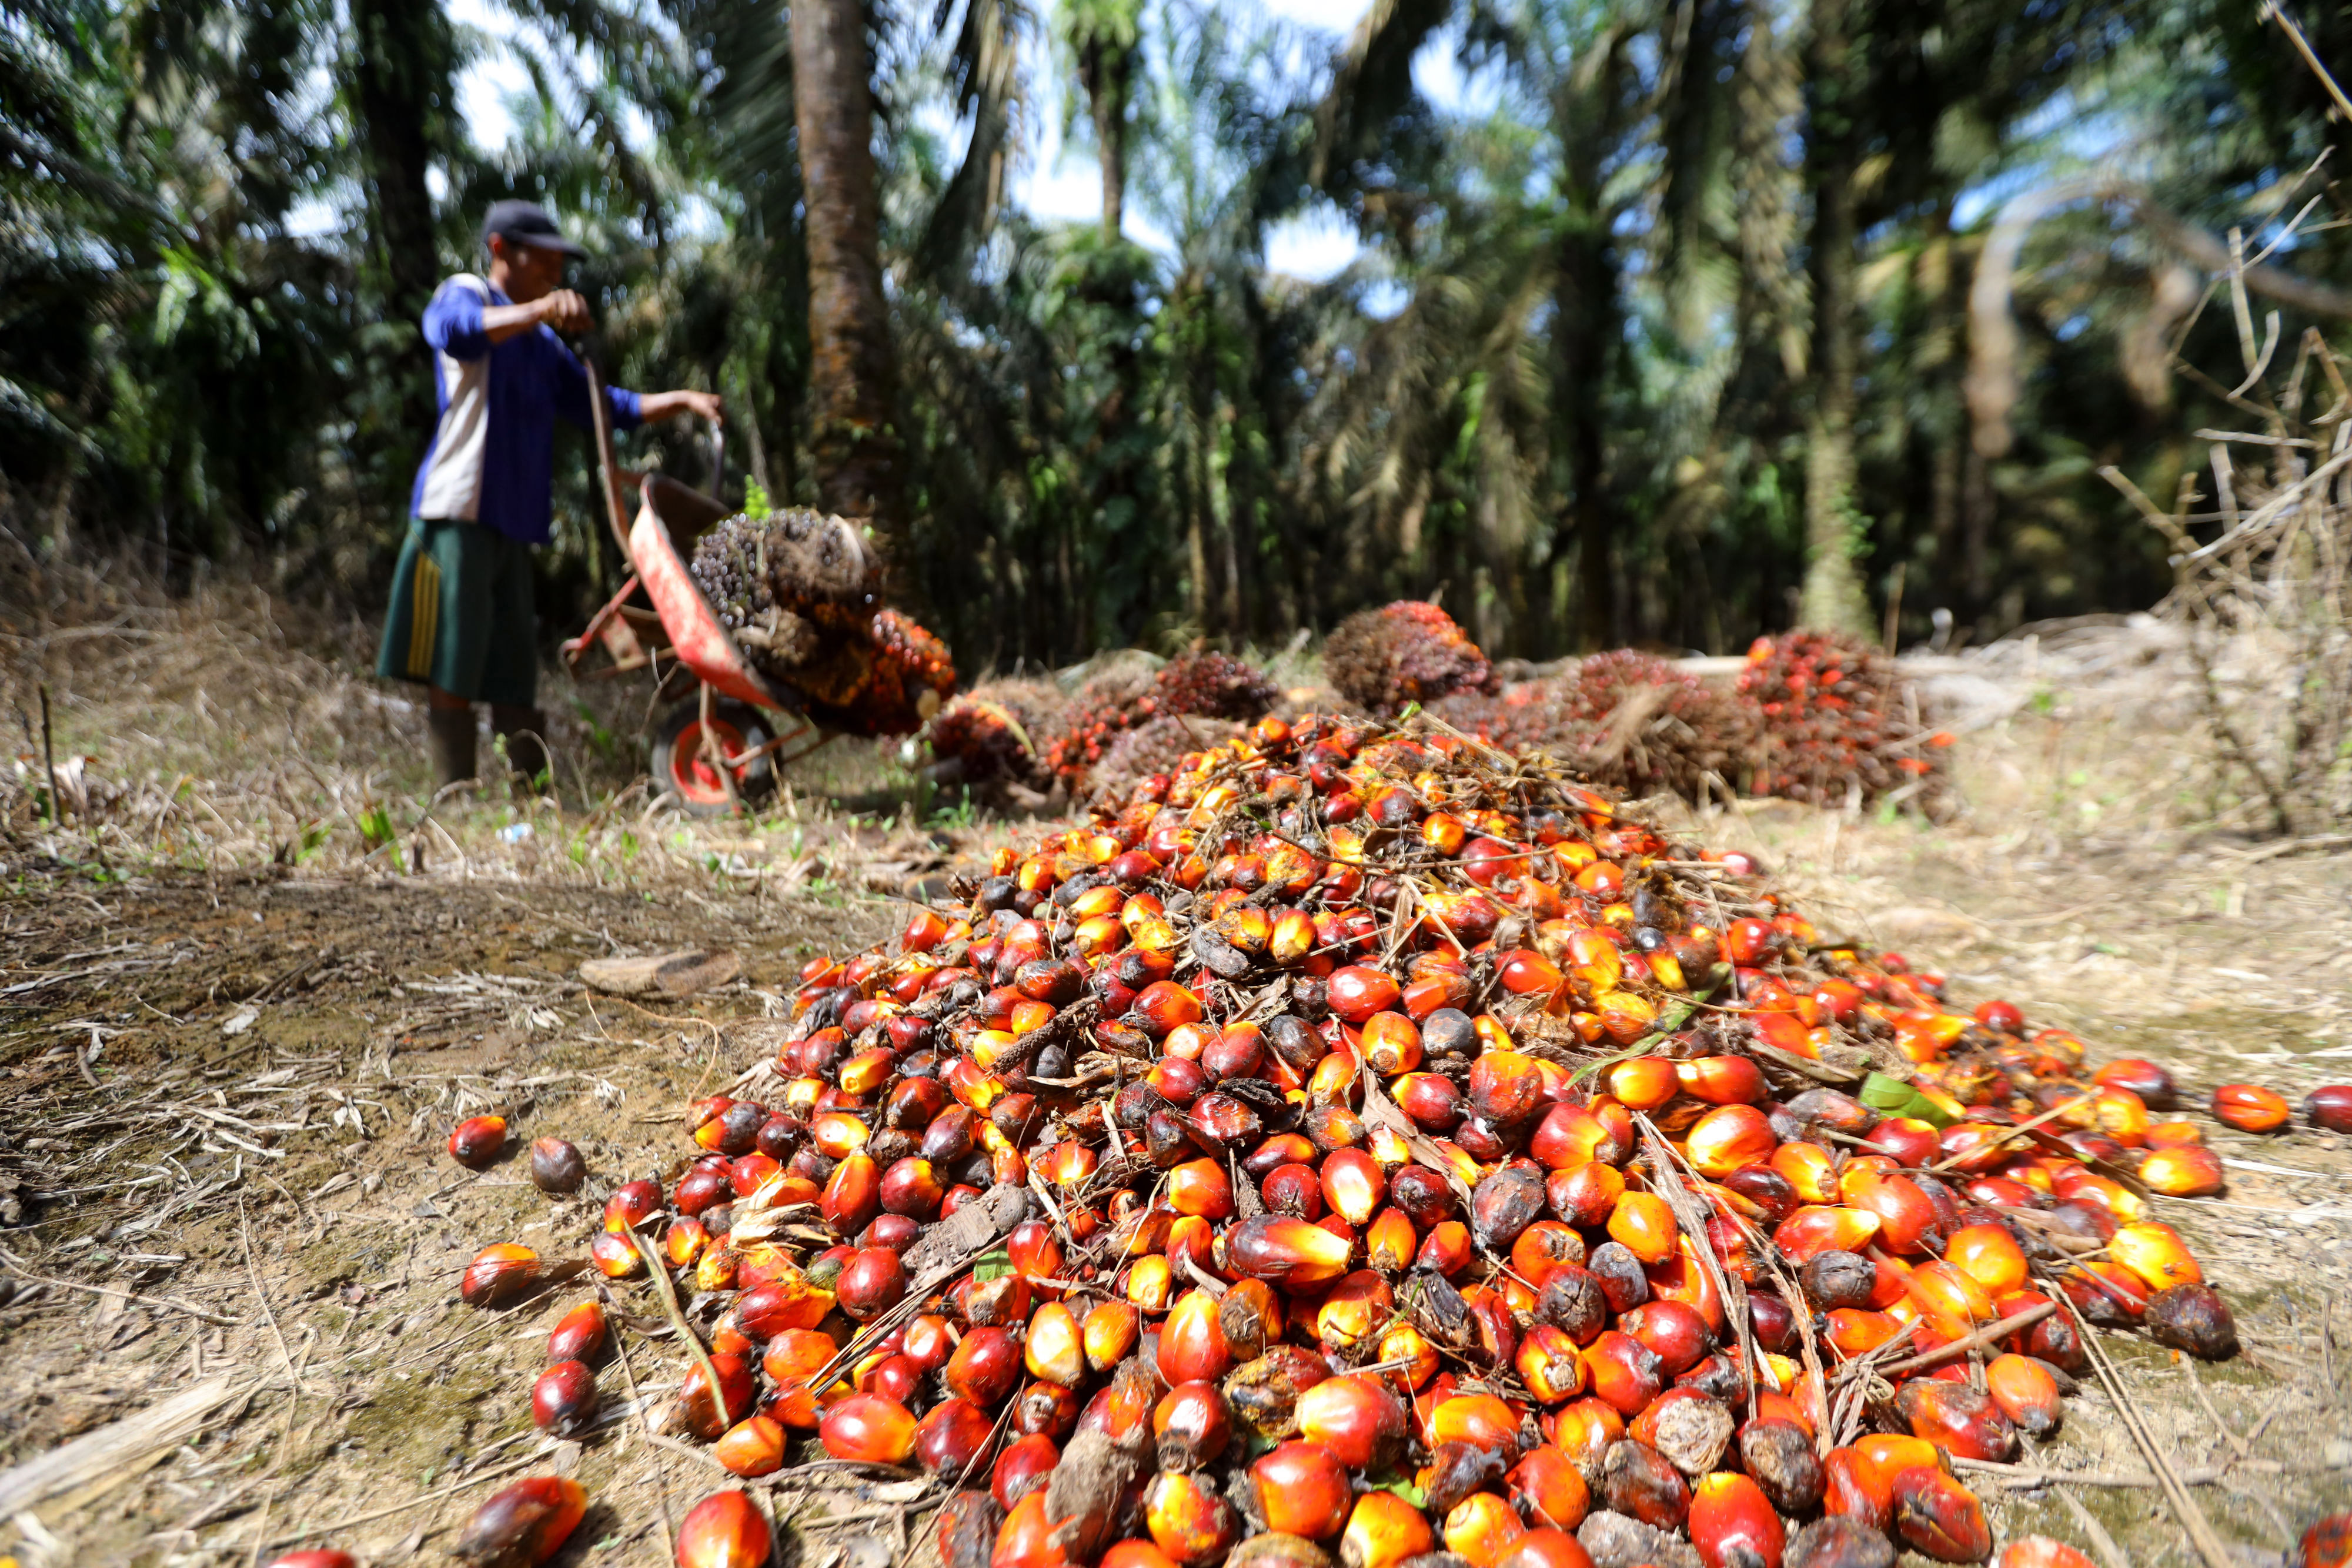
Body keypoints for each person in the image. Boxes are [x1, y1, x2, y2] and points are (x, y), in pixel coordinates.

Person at [376, 199, 723, 791]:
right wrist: (538, 310)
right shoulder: (467, 295)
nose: (556, 272)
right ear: (501, 250)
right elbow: (454, 335)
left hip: (514, 520)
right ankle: (454, 791)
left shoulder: (540, 344)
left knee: (513, 664)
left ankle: (530, 795)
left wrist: (682, 401)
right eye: (544, 258)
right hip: (460, 508)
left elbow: (604, 406)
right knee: (454, 653)